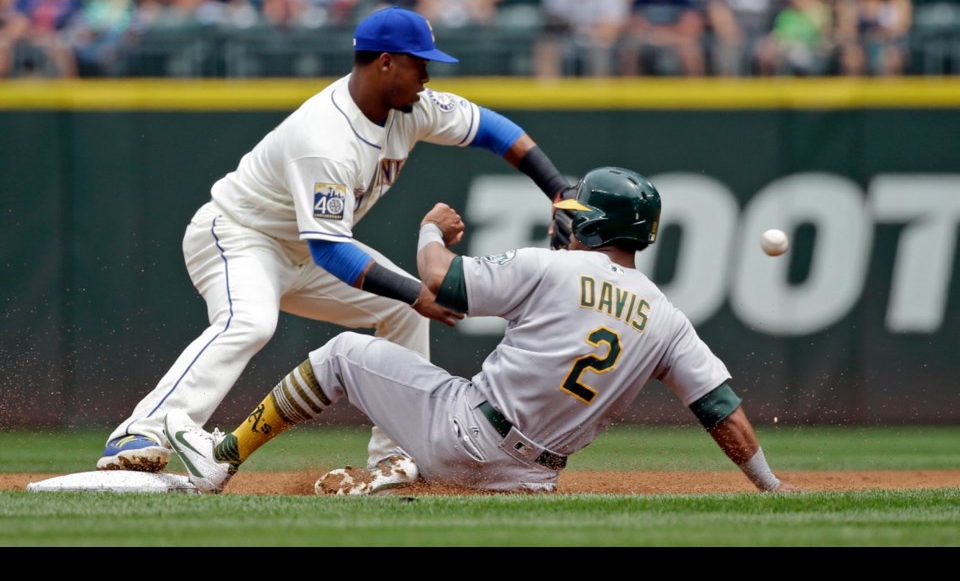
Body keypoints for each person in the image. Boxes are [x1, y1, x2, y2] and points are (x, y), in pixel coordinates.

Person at [97, 6, 576, 494]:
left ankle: (394, 455)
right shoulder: (325, 136)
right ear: (386, 62)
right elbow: (331, 251)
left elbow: (494, 130)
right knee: (250, 321)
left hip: (302, 250)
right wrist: (417, 292)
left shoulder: (413, 108)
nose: (428, 75)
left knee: (401, 311)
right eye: (420, 63)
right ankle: (140, 431)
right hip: (240, 235)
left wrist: (558, 188)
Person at [162, 166, 798, 496]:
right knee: (422, 386)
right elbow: (722, 411)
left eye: (577, 216)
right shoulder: (667, 318)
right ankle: (398, 475)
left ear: (596, 227)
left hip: (465, 434)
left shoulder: (549, 266)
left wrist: (429, 230)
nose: (566, 223)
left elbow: (440, 284)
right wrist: (769, 488)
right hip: (533, 478)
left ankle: (221, 460)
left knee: (343, 353)